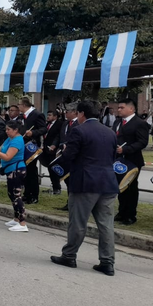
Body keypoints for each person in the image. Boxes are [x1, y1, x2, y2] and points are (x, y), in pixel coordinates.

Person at [50, 101, 118, 276]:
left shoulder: (79, 131)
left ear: (81, 114)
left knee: (78, 222)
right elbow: (112, 156)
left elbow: (69, 156)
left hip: (85, 182)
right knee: (106, 225)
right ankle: (107, 262)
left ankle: (69, 255)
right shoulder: (110, 132)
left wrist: (65, 151)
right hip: (108, 182)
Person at [112, 98, 149, 225]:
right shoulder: (118, 122)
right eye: (118, 107)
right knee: (120, 186)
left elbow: (142, 142)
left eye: (122, 107)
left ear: (131, 108)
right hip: (118, 160)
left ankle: (130, 215)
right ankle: (121, 212)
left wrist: (126, 149)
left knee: (131, 188)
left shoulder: (139, 123)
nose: (119, 110)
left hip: (132, 160)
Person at [0, 120, 29, 232]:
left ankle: (23, 223)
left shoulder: (17, 140)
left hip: (16, 170)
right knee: (11, 194)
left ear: (16, 130)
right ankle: (16, 218)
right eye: (6, 129)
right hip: (10, 170)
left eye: (8, 129)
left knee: (16, 195)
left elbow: (7, 156)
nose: (6, 131)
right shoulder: (9, 139)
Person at [19, 97, 47, 204]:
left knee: (31, 171)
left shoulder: (37, 114)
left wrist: (33, 133)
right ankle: (27, 194)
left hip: (32, 146)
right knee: (25, 170)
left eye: (19, 105)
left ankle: (34, 195)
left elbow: (43, 129)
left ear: (24, 105)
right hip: (23, 144)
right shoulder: (22, 116)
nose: (18, 107)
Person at [55, 103, 79, 211]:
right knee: (67, 179)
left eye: (67, 112)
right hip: (63, 154)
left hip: (73, 155)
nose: (65, 113)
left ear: (74, 112)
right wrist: (57, 146)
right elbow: (60, 136)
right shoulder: (65, 123)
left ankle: (74, 203)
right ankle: (69, 202)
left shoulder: (79, 124)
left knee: (73, 180)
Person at [41, 110, 65, 195]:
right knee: (49, 168)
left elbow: (58, 136)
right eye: (47, 115)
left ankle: (57, 188)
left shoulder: (59, 124)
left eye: (50, 115)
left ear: (55, 116)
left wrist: (54, 145)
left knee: (54, 169)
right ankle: (53, 186)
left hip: (54, 149)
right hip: (46, 149)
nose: (48, 117)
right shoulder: (47, 124)